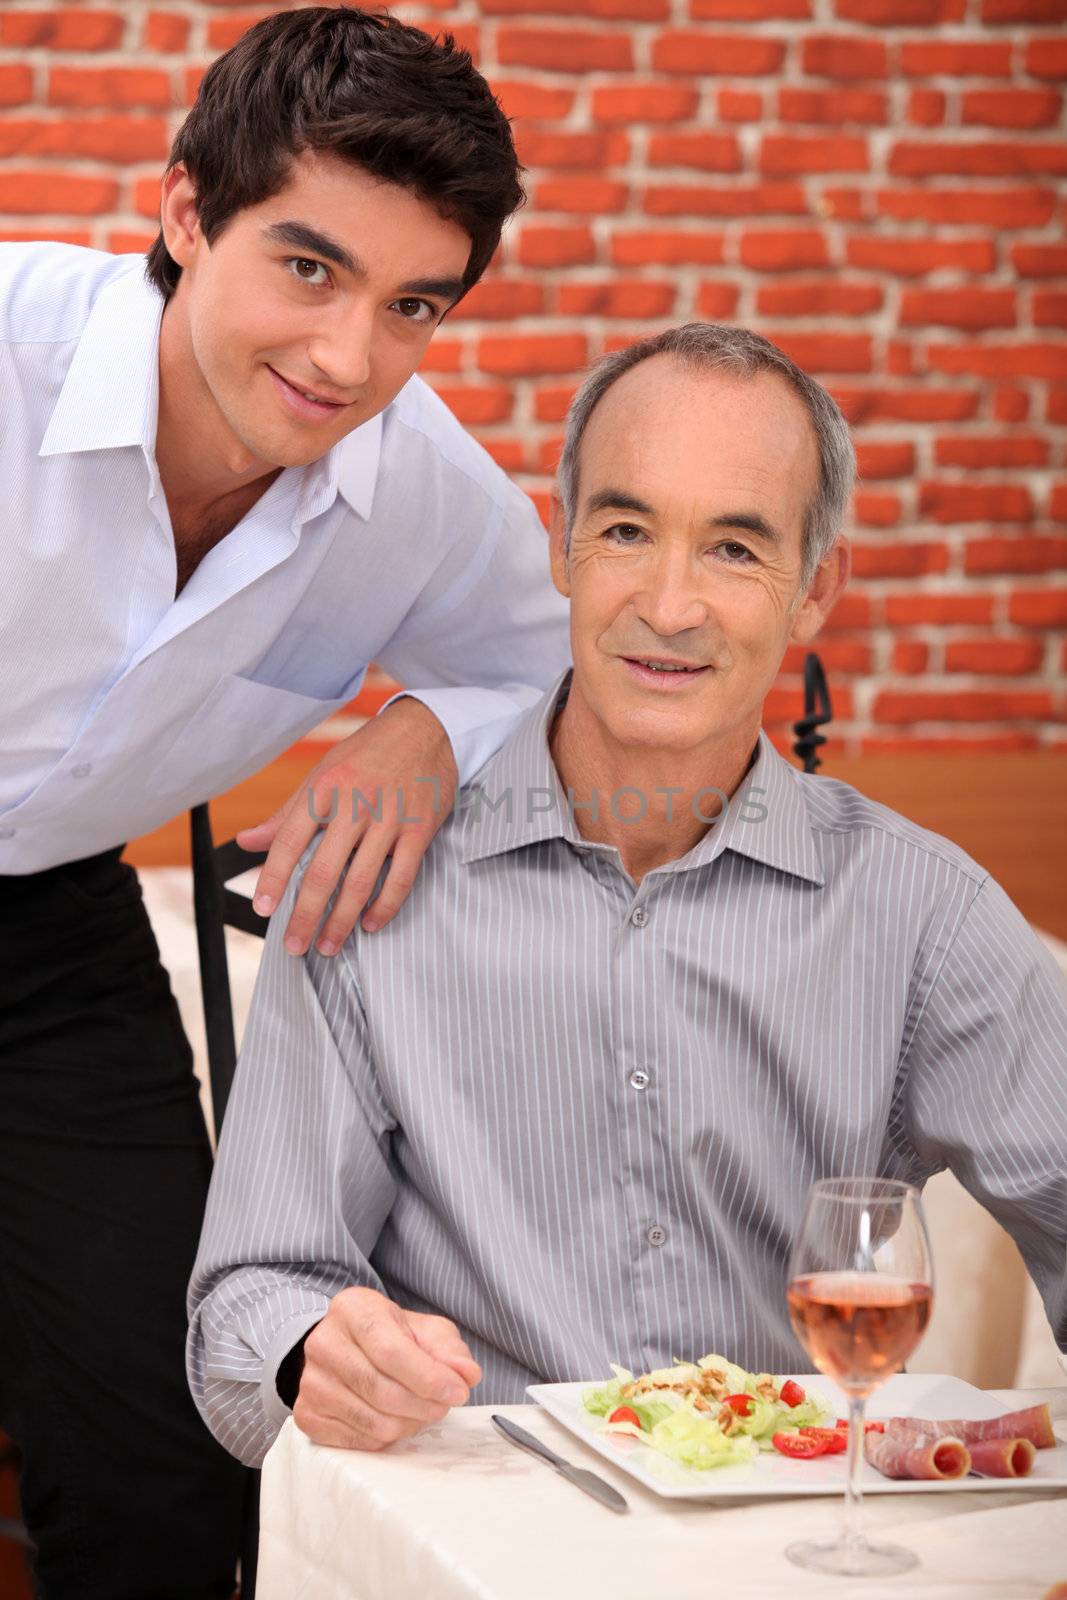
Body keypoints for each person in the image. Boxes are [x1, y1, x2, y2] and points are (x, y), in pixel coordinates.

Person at [189, 322, 1067, 1467]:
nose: (668, 601)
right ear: (560, 552)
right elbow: (246, 1305)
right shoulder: (375, 876)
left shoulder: (918, 914)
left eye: (734, 550)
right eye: (624, 529)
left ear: (814, 589)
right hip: (470, 1546)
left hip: (780, 1552)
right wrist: (314, 1352)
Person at [0, 8, 569, 1596]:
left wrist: (427, 733)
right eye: (306, 270)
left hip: (43, 933)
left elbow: (549, 682)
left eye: (410, 308)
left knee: (169, 1449)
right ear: (186, 214)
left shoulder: (425, 496)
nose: (346, 359)